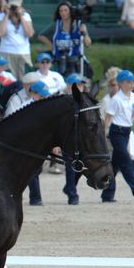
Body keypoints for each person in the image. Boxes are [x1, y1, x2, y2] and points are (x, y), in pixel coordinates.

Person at [100, 70, 134, 204]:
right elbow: (107, 119)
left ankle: (107, 194)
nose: (132, 84)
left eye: (132, 81)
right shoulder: (116, 100)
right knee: (126, 161)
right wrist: (103, 135)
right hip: (116, 132)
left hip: (126, 132)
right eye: (129, 82)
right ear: (121, 83)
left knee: (115, 166)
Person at [38, 0, 92, 78]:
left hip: (75, 61)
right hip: (59, 61)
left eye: (65, 10)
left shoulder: (79, 25)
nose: (63, 13)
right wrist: (52, 46)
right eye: (61, 11)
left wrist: (85, 33)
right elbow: (41, 35)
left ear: (70, 11)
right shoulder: (56, 25)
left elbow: (88, 44)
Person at [0, 0, 34, 79]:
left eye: (16, 6)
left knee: (26, 79)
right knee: (8, 80)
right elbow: (0, 33)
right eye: (12, 5)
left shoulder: (26, 16)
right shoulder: (2, 16)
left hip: (23, 53)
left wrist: (21, 16)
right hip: (6, 52)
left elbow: (30, 34)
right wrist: (6, 15)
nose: (14, 8)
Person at [62, 73, 86, 205]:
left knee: (83, 165)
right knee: (70, 168)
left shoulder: (84, 101)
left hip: (81, 139)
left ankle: (69, 187)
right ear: (69, 86)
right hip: (68, 139)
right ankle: (72, 194)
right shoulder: (64, 101)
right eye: (77, 85)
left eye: (81, 85)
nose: (80, 87)